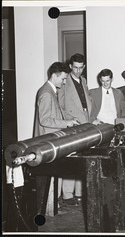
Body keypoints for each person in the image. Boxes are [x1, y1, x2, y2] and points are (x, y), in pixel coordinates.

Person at [33, 62, 80, 212]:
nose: (64, 82)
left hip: (51, 140)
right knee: (47, 177)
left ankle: (51, 206)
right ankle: (46, 208)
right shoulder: (46, 93)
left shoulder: (52, 91)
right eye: (63, 79)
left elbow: (57, 113)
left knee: (52, 175)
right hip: (46, 141)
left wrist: (71, 119)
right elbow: (45, 120)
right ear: (54, 75)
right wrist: (66, 123)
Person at [58, 53, 92, 205]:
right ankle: (67, 194)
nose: (78, 71)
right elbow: (60, 106)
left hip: (85, 121)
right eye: (75, 68)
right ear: (71, 66)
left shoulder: (83, 80)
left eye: (81, 68)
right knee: (70, 157)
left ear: (83, 67)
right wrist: (69, 121)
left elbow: (87, 102)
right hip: (72, 123)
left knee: (81, 157)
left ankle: (79, 193)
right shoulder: (65, 82)